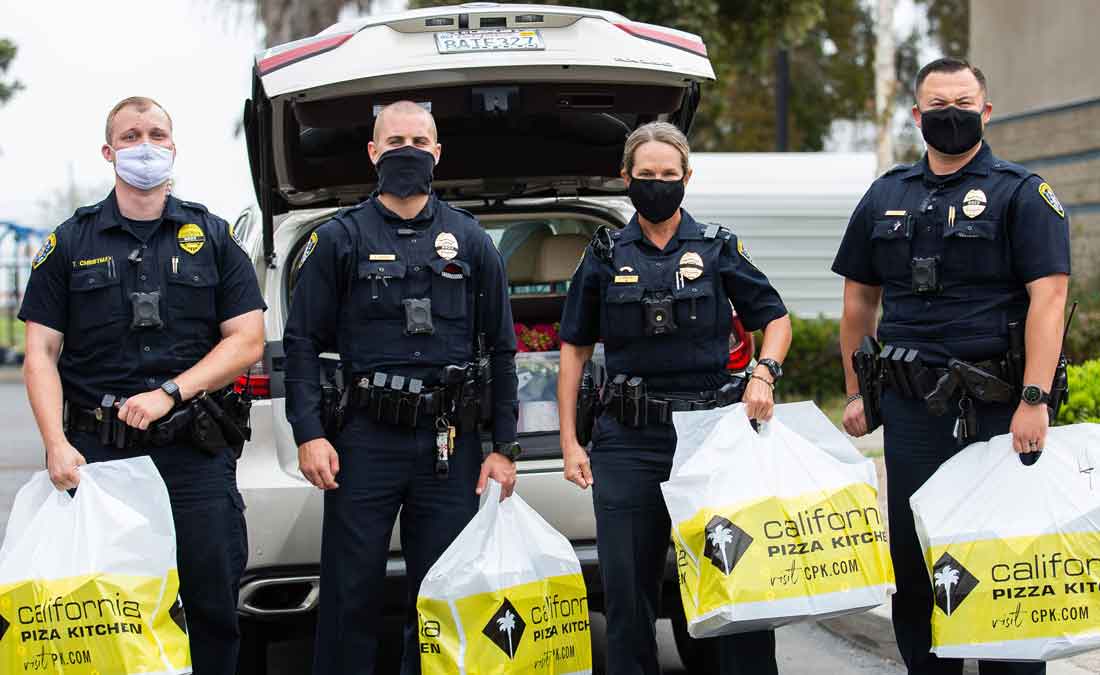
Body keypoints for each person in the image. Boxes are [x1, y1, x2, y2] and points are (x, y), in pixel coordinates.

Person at [833, 58, 1070, 675]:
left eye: (964, 103)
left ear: (986, 111)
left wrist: (1036, 398)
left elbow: (1050, 297)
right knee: (917, 567)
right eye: (938, 106)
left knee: (1005, 563)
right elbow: (859, 298)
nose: (951, 115)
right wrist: (857, 392)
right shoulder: (886, 194)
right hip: (912, 414)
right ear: (916, 117)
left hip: (1000, 409)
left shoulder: (1023, 192)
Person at [20, 96, 267, 674]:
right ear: (109, 152)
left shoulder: (211, 236)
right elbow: (40, 352)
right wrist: (56, 442)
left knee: (210, 608)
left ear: (173, 147)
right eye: (131, 136)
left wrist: (171, 392)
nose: (145, 145)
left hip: (194, 457)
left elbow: (247, 340)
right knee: (111, 612)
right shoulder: (69, 243)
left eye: (156, 133)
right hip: (101, 461)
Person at [283, 101, 520, 675]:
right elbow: (301, 343)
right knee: (350, 590)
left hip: (449, 446)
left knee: (444, 592)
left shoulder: (470, 240)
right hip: (363, 441)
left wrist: (502, 447)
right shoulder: (338, 238)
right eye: (394, 141)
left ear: (437, 153)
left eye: (418, 140)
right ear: (373, 152)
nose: (407, 150)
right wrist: (309, 433)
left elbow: (503, 347)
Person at [557, 121, 793, 675]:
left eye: (668, 175)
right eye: (646, 175)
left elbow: (776, 321)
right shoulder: (604, 253)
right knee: (628, 597)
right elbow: (574, 348)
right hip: (628, 441)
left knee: (737, 585)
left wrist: (764, 373)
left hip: (713, 438)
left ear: (687, 177)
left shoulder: (717, 247)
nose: (657, 184)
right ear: (626, 178)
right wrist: (571, 441)